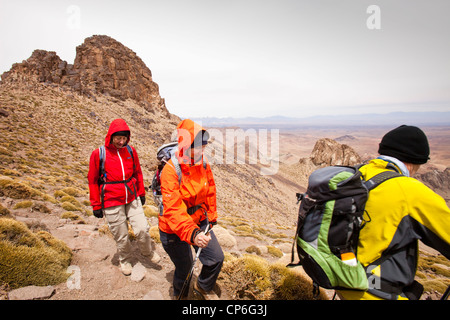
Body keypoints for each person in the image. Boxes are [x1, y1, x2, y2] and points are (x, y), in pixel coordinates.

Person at [338, 125, 450, 300]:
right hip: (376, 292)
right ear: (415, 161)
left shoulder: (359, 173)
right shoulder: (410, 191)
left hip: (345, 283)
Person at [159, 119, 224, 299]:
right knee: (185, 267)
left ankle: (202, 287)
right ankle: (180, 296)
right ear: (186, 145)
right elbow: (173, 210)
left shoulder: (203, 163)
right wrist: (193, 234)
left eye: (204, 146)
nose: (202, 150)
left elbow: (209, 190)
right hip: (173, 228)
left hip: (198, 219)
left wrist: (211, 218)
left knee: (216, 258)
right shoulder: (171, 171)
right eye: (198, 146)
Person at [88, 118, 160, 275]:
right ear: (111, 136)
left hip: (132, 196)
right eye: (118, 138)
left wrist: (141, 193)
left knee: (142, 229)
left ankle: (147, 252)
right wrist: (96, 205)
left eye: (124, 138)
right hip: (111, 200)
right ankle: (125, 259)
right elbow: (93, 181)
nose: (121, 142)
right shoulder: (99, 154)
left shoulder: (131, 151)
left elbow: (138, 173)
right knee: (121, 234)